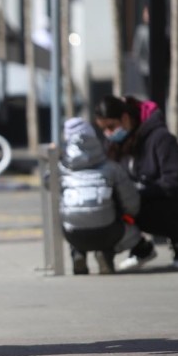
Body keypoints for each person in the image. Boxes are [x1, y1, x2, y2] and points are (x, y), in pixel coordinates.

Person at [94, 95, 178, 271]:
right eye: (103, 129)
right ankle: (140, 248)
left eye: (111, 127)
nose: (108, 133)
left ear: (125, 118)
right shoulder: (115, 144)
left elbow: (175, 181)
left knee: (139, 207)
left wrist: (136, 194)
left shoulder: (159, 138)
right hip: (147, 197)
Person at [57, 117, 147, 275]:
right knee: (113, 219)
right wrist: (128, 216)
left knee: (75, 216)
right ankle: (105, 254)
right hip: (106, 231)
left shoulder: (63, 169)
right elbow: (131, 203)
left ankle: (78, 254)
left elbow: (47, 182)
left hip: (72, 233)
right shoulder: (111, 167)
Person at [132, 6, 150, 93]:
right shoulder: (140, 30)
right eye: (145, 13)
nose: (146, 16)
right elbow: (137, 48)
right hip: (145, 66)